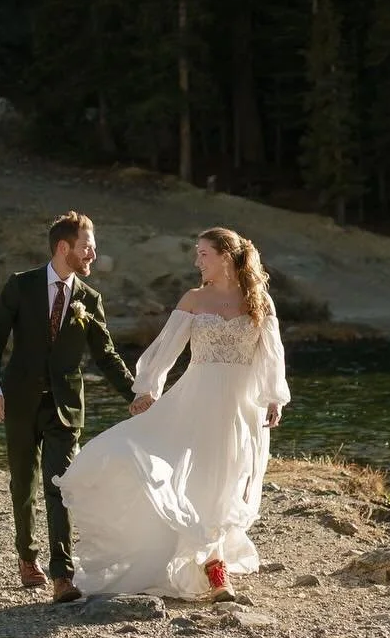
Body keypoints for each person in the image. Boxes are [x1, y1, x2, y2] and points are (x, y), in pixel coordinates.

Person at [55, 225, 289, 602]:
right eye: (197, 254)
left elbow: (271, 353)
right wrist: (147, 390)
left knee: (228, 481)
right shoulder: (195, 299)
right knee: (191, 478)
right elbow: (167, 348)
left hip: (242, 407)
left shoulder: (258, 300)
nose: (198, 261)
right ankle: (216, 572)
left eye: (204, 254)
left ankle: (213, 561)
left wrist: (274, 397)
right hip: (196, 401)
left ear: (225, 257)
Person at [0, 210, 137, 602]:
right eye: (88, 246)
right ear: (64, 247)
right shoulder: (21, 286)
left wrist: (137, 396)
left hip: (66, 408)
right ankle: (26, 555)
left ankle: (62, 576)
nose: (93, 254)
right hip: (17, 401)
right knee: (23, 484)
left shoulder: (90, 299)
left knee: (61, 486)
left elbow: (106, 355)